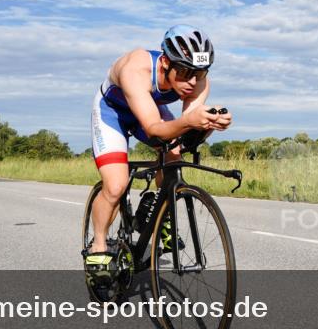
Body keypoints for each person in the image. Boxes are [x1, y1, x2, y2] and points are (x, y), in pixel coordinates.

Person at [86, 25, 232, 269]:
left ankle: (159, 208)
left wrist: (209, 124)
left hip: (149, 109)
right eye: (185, 72)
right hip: (113, 114)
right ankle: (98, 247)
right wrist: (188, 121)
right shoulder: (136, 68)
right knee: (116, 185)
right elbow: (154, 128)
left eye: (200, 72)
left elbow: (184, 132)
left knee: (173, 155)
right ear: (165, 61)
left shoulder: (197, 81)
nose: (193, 81)